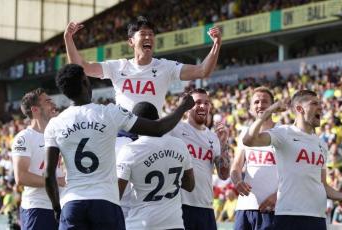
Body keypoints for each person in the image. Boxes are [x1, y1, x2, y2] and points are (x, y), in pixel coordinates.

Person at [44, 64, 194, 230]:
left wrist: (57, 207)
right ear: (86, 82)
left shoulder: (55, 124)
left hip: (72, 203)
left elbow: (48, 174)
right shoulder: (109, 113)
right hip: (106, 203)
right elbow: (158, 129)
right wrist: (182, 107)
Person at [64, 16, 221, 114]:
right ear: (131, 42)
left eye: (151, 34)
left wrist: (217, 44)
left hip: (152, 133)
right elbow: (81, 68)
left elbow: (202, 71)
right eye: (143, 34)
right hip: (122, 135)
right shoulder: (117, 67)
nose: (148, 37)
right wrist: (68, 38)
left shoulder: (166, 67)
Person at [243, 89, 342, 230]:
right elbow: (249, 140)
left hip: (317, 217)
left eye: (320, 104)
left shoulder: (321, 144)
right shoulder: (283, 133)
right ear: (299, 109)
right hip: (289, 216)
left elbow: (323, 185)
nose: (321, 107)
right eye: (314, 104)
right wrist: (268, 112)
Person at [116, 101, 195, 230]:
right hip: (174, 224)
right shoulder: (179, 145)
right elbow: (190, 185)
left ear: (135, 123)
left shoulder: (130, 150)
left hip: (142, 224)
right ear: (158, 119)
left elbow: (116, 194)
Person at [169, 88, 231, 230]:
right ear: (188, 106)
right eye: (197, 102)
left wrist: (223, 145)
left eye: (206, 103)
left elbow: (223, 174)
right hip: (179, 205)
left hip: (205, 207)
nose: (203, 106)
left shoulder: (214, 137)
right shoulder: (175, 128)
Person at [11, 88, 65, 230]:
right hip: (37, 209)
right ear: (35, 109)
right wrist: (57, 181)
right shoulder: (24, 138)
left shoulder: (58, 134)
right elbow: (21, 177)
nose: (53, 104)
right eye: (48, 101)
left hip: (63, 205)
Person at [231, 87, 278, 230]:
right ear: (251, 108)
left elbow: (294, 173)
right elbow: (236, 166)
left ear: (273, 106)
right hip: (245, 207)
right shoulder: (245, 132)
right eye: (256, 102)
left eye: (265, 101)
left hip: (273, 208)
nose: (260, 105)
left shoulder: (283, 132)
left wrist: (278, 196)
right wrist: (237, 180)